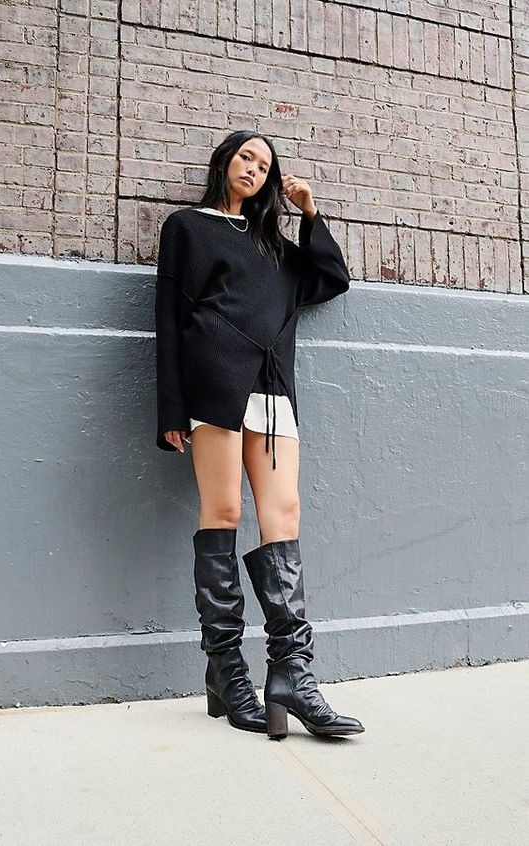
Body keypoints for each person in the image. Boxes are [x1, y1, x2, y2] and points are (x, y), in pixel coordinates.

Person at [154, 129, 365, 740]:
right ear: (224, 160)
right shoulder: (186, 228)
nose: (253, 168)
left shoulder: (273, 241)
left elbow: (332, 277)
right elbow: (168, 318)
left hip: (272, 387)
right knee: (222, 511)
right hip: (213, 384)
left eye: (265, 165)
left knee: (283, 514)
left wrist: (309, 212)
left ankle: (292, 674)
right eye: (246, 156)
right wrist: (171, 410)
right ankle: (226, 671)